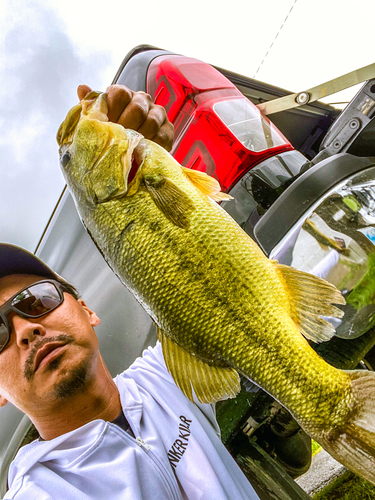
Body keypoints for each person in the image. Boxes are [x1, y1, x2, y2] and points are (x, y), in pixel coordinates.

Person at [0, 85, 260, 500]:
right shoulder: (41, 493)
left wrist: (151, 165)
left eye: (36, 301)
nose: (24, 331)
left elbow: (226, 283)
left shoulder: (167, 377)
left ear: (86, 310)